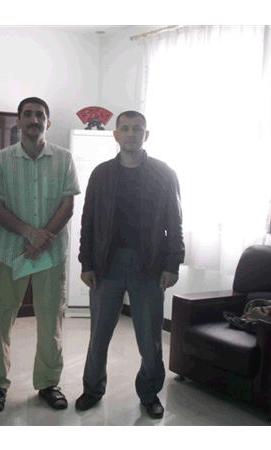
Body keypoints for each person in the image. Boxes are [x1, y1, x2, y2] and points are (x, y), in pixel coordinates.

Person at [75, 110, 184, 419]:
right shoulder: (101, 174)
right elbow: (88, 221)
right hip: (106, 265)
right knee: (99, 335)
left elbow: (175, 222)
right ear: (116, 135)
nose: (131, 134)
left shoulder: (164, 173)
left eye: (137, 129)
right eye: (125, 129)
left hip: (149, 266)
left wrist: (173, 264)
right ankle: (92, 388)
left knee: (150, 339)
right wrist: (86, 263)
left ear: (146, 135)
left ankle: (149, 394)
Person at [0, 97, 81, 412]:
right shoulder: (1, 159)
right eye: (27, 114)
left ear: (48, 122)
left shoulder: (64, 158)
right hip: (10, 253)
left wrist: (41, 239)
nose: (34, 119)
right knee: (1, 320)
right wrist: (29, 233)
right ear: (18, 121)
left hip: (51, 255)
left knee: (51, 321)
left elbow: (68, 205)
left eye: (40, 114)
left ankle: (48, 383)